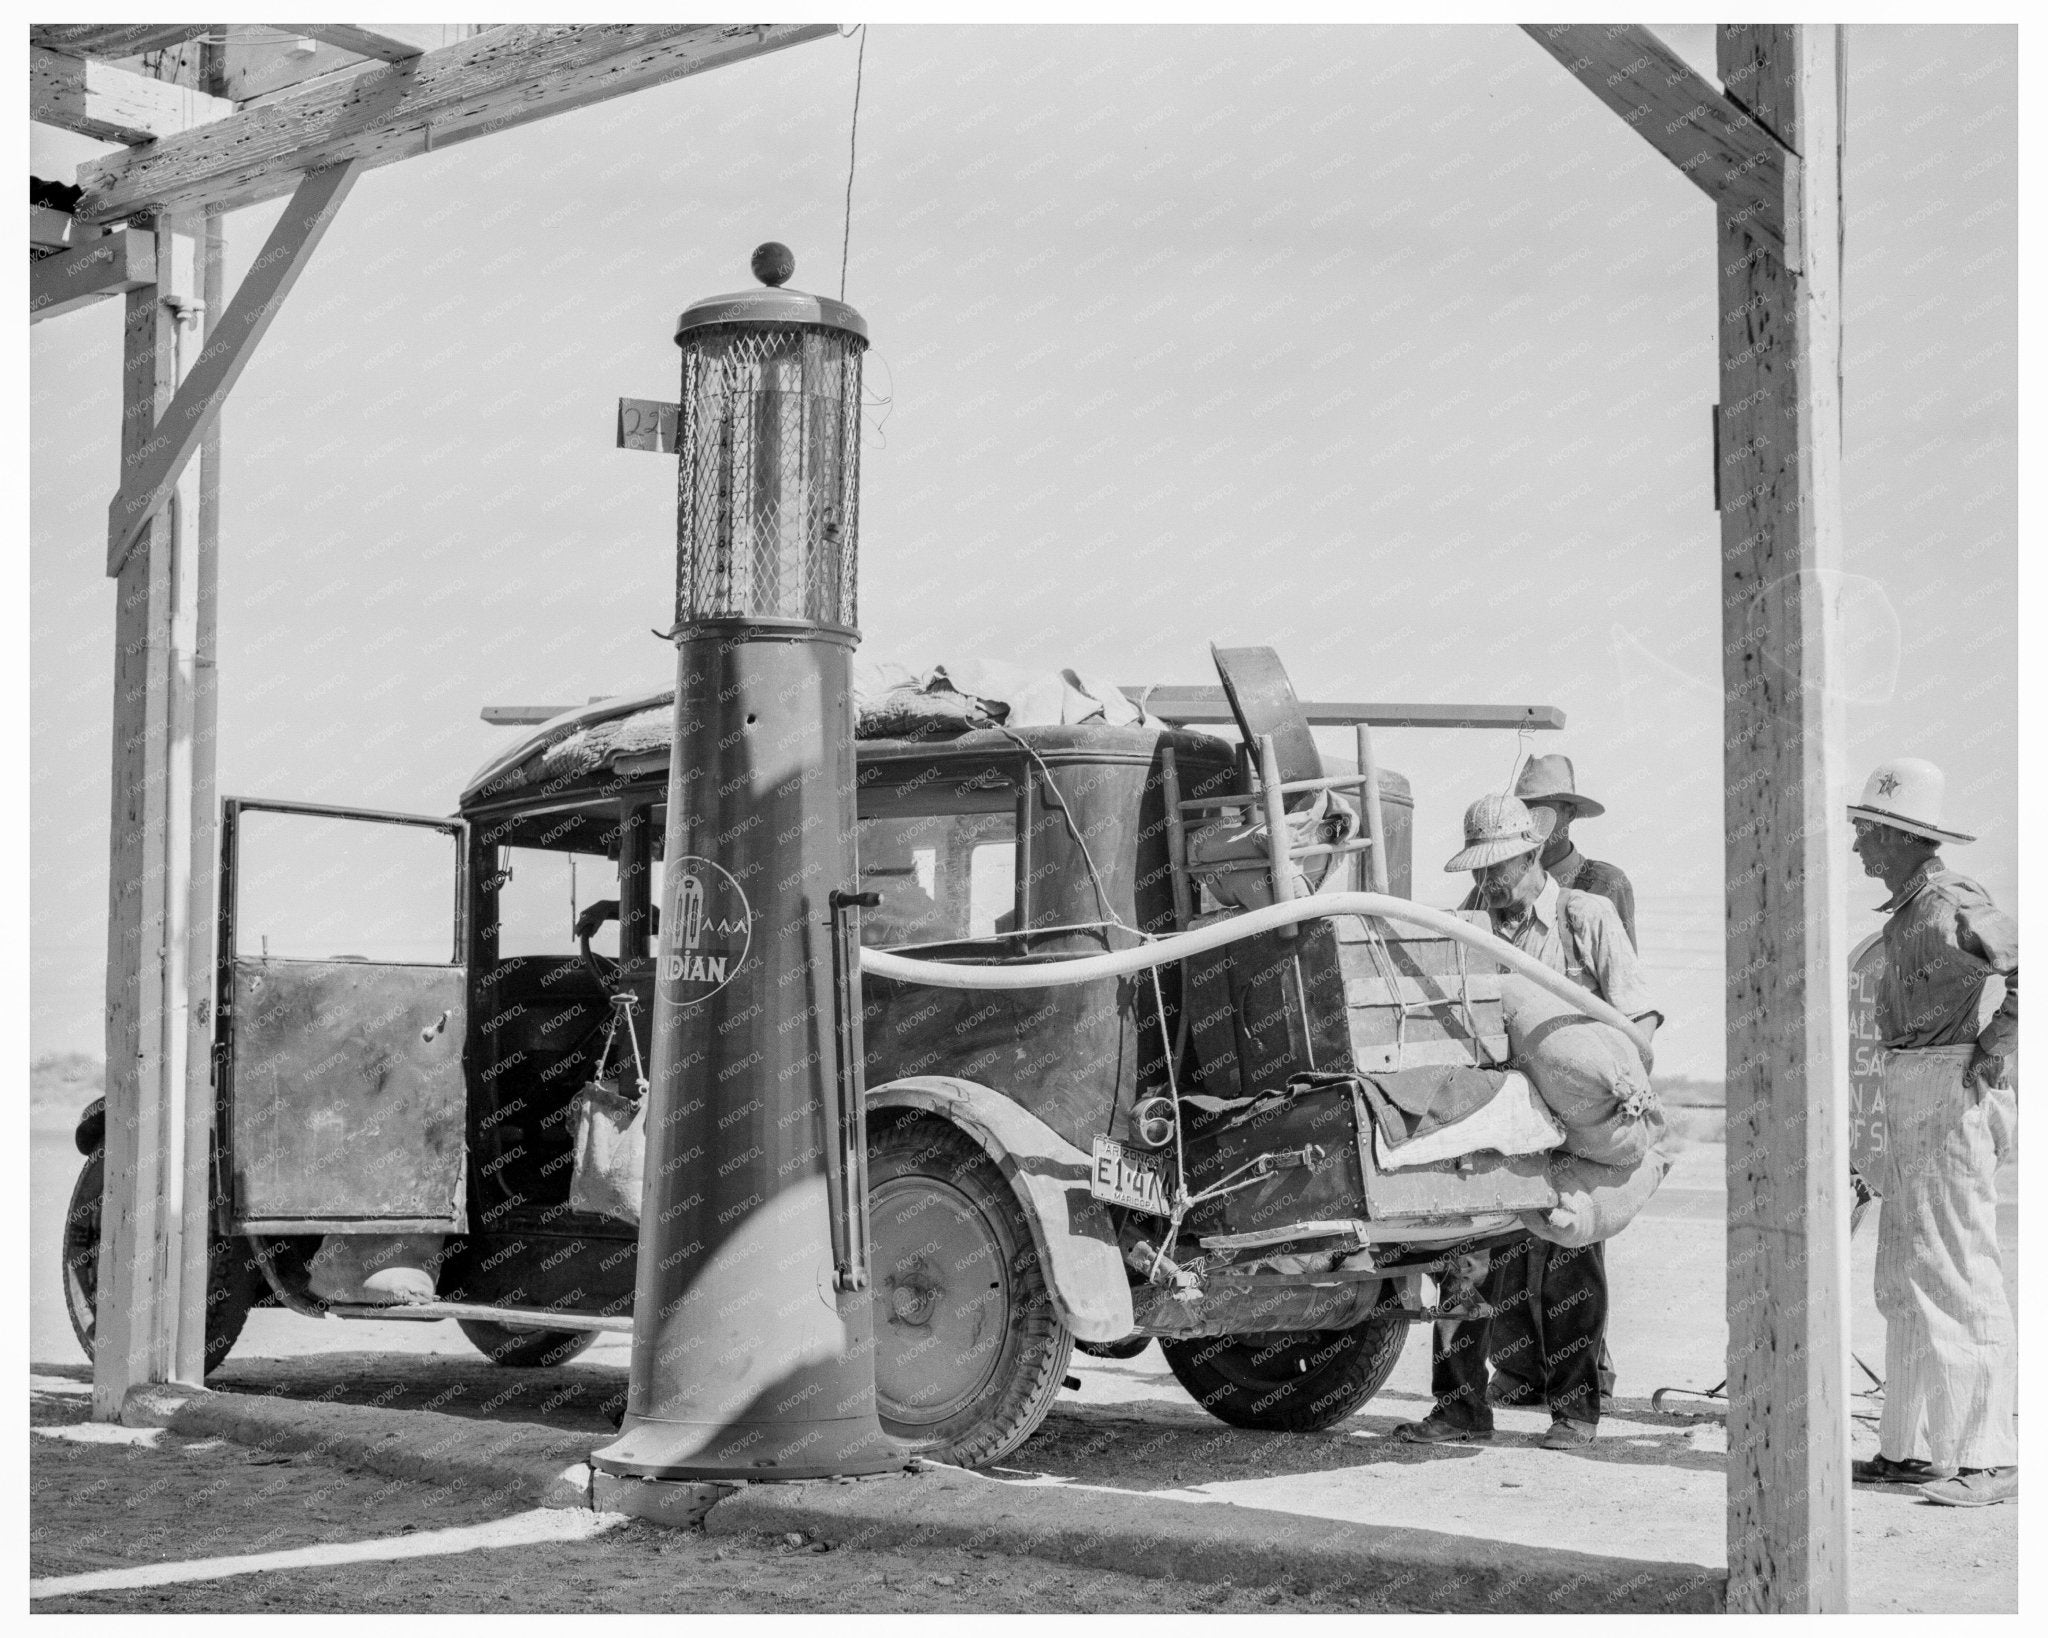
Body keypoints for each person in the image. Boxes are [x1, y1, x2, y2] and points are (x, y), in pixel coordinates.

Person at [1391, 793, 1662, 1451]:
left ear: (1533, 854)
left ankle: (1575, 1414)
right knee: (1464, 1257)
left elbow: (1641, 1018)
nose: (1489, 884)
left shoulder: (1583, 917)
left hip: (1570, 1125)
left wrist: (1614, 1087)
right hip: (1498, 1118)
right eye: (1479, 872)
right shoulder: (1466, 927)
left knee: (1569, 1260)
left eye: (1500, 869)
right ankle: (1459, 1409)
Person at [1844, 758, 2017, 1508]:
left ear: (1902, 837)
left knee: (1958, 1270)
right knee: (1904, 1276)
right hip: (1910, 1085)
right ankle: (1905, 1450)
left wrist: (1995, 1046)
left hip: (1948, 1084)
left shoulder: (1953, 901)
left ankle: (1988, 1458)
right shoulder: (1910, 911)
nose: (1857, 849)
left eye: (1866, 833)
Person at [1490, 754, 1635, 1411]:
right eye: (1527, 812)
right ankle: (1520, 1369)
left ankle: (1584, 1376)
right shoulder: (1497, 885)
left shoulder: (1600, 888)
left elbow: (1623, 989)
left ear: (1568, 815)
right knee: (1510, 1231)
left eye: (1545, 811)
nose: (1536, 823)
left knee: (1574, 1233)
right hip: (1516, 1078)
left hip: (1575, 1072)